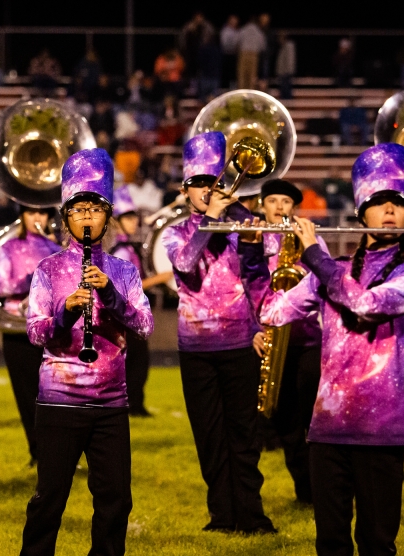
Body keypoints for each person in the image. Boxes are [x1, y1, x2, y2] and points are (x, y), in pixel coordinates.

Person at [259, 144, 404, 556]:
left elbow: (362, 305)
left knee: (377, 546)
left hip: (382, 430)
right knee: (331, 544)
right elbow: (276, 310)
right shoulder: (327, 269)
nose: (389, 211)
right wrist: (265, 264)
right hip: (328, 430)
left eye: (397, 204)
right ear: (361, 213)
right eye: (378, 203)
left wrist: (315, 257)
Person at [16, 148, 153, 556]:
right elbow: (35, 332)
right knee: (49, 497)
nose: (87, 217)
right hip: (59, 399)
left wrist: (110, 295)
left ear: (107, 216)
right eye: (78, 210)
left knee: (115, 499)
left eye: (95, 208)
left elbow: (145, 325)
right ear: (66, 217)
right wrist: (65, 310)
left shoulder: (123, 270)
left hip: (111, 402)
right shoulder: (48, 270)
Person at [161, 132, 276, 534]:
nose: (207, 190)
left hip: (240, 341)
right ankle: (222, 515)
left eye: (213, 182)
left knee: (244, 434)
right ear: (185, 190)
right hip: (196, 348)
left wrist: (261, 326)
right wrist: (211, 220)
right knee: (209, 436)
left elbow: (260, 277)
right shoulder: (175, 232)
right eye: (198, 184)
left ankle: (251, 514)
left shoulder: (241, 226)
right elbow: (185, 265)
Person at [257, 179, 324, 504]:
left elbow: (325, 276)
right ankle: (305, 489)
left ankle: (321, 486)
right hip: (270, 340)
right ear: (262, 206)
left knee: (314, 418)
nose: (280, 206)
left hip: (308, 340)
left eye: (286, 201)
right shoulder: (252, 239)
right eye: (273, 200)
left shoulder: (309, 238)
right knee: (286, 421)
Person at [0, 205, 61, 463]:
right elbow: (1, 286)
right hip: (17, 327)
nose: (37, 218)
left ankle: (60, 452)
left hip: (51, 326)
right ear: (22, 215)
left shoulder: (57, 249)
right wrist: (35, 277)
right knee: (26, 394)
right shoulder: (9, 247)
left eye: (42, 213)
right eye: (31, 212)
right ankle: (38, 453)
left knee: (56, 393)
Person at [109, 185, 172, 416]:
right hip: (127, 316)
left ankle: (134, 404)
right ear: (116, 222)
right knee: (136, 363)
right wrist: (159, 279)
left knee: (137, 362)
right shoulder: (122, 251)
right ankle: (133, 406)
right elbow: (125, 288)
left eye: (134, 216)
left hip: (131, 315)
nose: (133, 221)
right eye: (127, 217)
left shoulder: (127, 247)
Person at [237, 16, 266, 90]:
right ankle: (250, 93)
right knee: (252, 77)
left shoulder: (243, 29)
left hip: (244, 54)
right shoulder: (258, 31)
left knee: (242, 76)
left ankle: (242, 92)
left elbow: (237, 42)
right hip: (254, 55)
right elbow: (262, 46)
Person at [220, 15, 240, 89]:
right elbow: (224, 44)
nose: (234, 22)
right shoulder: (225, 31)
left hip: (234, 55)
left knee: (234, 74)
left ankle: (232, 88)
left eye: (235, 21)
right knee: (226, 73)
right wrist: (233, 46)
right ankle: (225, 88)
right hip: (226, 55)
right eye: (233, 20)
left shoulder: (237, 31)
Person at [274, 32, 296, 99]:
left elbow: (290, 59)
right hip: (283, 74)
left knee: (286, 93)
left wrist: (288, 72)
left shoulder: (289, 46)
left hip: (286, 74)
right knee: (283, 92)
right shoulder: (283, 47)